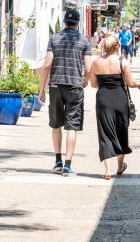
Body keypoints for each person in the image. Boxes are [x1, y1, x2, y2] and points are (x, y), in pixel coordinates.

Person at [39, 9, 93, 177]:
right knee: (72, 125)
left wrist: (41, 89)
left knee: (56, 124)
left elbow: (47, 65)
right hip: (75, 86)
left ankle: (57, 162)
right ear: (77, 23)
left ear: (64, 22)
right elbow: (89, 66)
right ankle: (68, 165)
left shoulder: (54, 38)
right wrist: (86, 79)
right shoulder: (84, 40)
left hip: (55, 85)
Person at [90, 35, 140, 179]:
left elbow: (93, 84)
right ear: (117, 47)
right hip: (120, 99)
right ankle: (120, 166)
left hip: (103, 99)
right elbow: (130, 83)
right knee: (121, 130)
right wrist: (139, 85)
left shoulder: (96, 62)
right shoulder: (123, 62)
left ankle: (107, 170)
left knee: (105, 132)